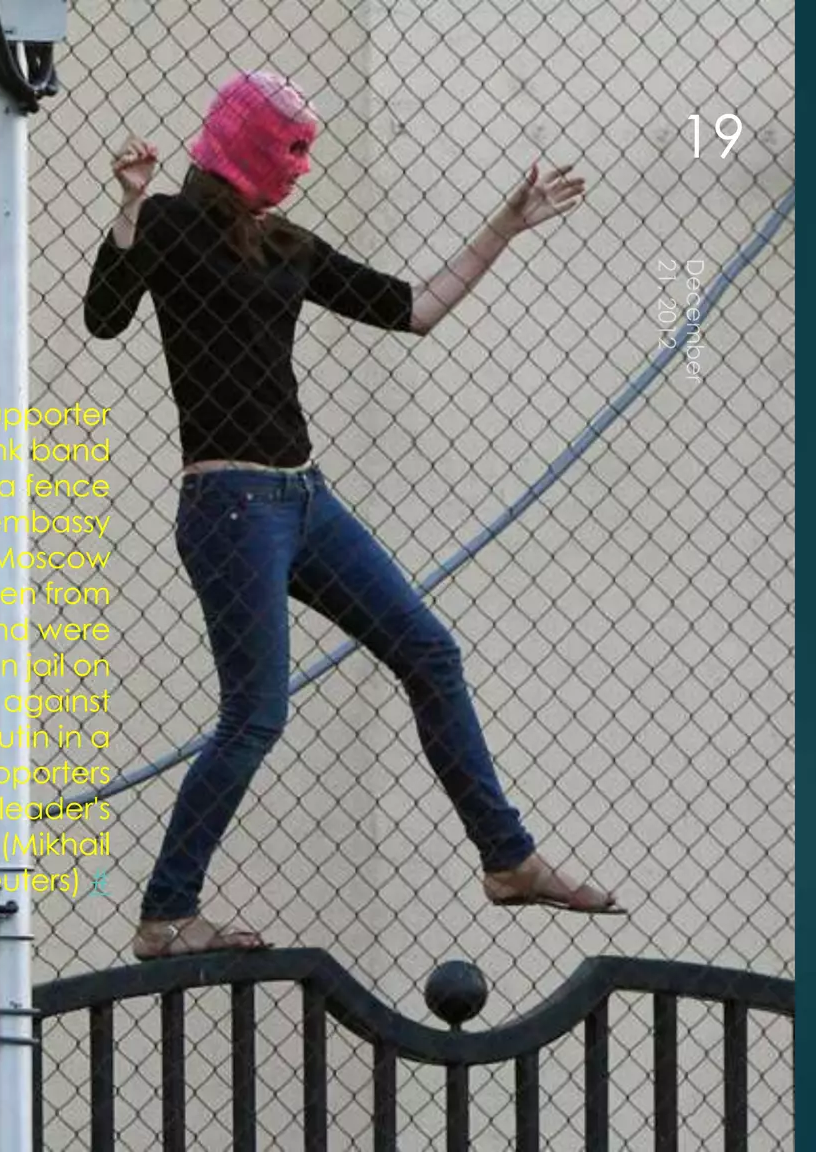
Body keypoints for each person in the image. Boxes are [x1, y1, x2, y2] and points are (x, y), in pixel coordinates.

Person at [82, 71, 626, 962]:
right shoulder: (171, 226)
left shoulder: (288, 244)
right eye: (290, 147)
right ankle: (165, 913)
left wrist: (505, 226)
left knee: (428, 649)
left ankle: (507, 859)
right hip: (229, 506)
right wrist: (130, 210)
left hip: (305, 498)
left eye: (307, 149)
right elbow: (104, 319)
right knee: (255, 714)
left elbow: (414, 309)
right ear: (244, 142)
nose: (302, 166)